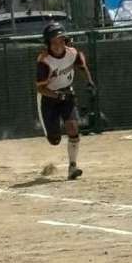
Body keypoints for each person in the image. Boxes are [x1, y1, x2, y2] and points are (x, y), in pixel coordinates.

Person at [36, 22, 96, 180]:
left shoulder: (72, 53)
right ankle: (53, 133)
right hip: (48, 99)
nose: (58, 45)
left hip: (67, 94)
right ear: (48, 44)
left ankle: (72, 166)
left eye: (61, 41)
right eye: (54, 42)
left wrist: (89, 82)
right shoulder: (44, 61)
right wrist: (57, 96)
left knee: (73, 128)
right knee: (54, 140)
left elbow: (82, 66)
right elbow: (41, 88)